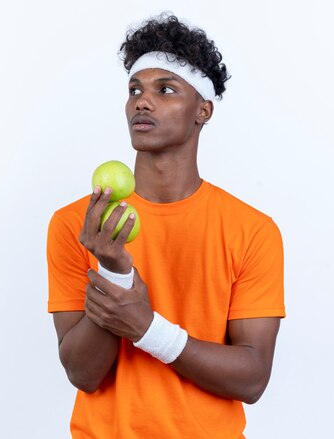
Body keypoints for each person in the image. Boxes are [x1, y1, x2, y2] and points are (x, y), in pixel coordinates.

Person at [47, 13, 286, 438]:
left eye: (166, 89)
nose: (142, 101)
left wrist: (147, 329)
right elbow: (84, 375)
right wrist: (113, 272)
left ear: (203, 111)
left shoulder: (252, 231)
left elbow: (251, 378)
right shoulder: (76, 225)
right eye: (135, 90)